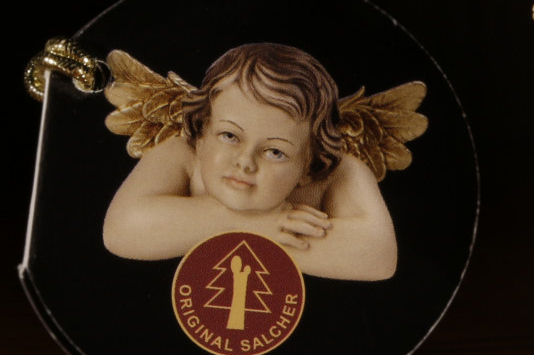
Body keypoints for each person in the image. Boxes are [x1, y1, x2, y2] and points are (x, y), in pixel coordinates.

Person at [102, 43, 405, 281]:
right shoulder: (181, 154)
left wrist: (255, 233)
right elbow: (121, 229)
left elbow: (377, 256)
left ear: (309, 165)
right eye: (229, 136)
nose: (245, 162)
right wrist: (249, 223)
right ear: (202, 131)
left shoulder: (337, 171)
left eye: (275, 152)